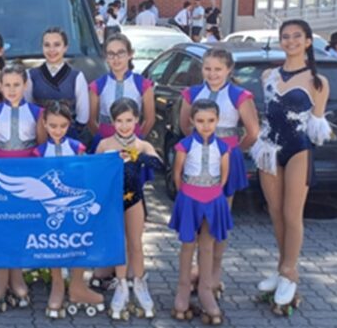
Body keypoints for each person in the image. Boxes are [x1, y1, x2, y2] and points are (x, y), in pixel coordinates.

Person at [251, 19, 331, 316]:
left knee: (291, 213)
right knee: (274, 211)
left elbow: (317, 128)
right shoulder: (268, 75)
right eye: (285, 36)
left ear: (308, 41)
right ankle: (281, 269)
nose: (291, 41)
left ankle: (289, 271)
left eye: (297, 36)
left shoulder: (318, 81)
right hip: (269, 149)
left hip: (298, 150)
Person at [180, 48, 259, 298]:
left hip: (225, 162)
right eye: (207, 68)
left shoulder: (239, 95)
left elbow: (253, 132)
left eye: (218, 69)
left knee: (217, 221)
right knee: (194, 222)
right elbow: (184, 125)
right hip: (196, 162)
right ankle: (194, 271)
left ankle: (213, 274)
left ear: (228, 70)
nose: (212, 74)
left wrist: (232, 151)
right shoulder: (192, 93)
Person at [34, 101, 105, 319]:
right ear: (44, 124)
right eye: (53, 126)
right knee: (54, 244)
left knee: (78, 241)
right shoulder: (38, 152)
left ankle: (77, 285)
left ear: (69, 125)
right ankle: (57, 284)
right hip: (51, 206)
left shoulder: (77, 148)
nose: (58, 131)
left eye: (63, 126)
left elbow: (88, 173)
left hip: (74, 201)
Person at [0, 65, 46, 312]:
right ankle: (0, 276)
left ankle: (17, 274)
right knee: (1, 225)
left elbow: (41, 147)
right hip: (1, 176)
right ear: (0, 86)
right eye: (7, 85)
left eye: (16, 85)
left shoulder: (37, 112)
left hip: (27, 179)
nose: (12, 89)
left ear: (25, 86)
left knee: (20, 225)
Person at [95, 98, 164, 320]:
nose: (124, 125)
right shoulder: (105, 144)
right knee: (120, 243)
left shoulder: (142, 144)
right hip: (112, 202)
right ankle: (122, 284)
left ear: (137, 120)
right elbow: (93, 172)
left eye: (129, 120)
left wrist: (139, 156)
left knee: (135, 242)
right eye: (119, 121)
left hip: (134, 200)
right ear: (112, 122)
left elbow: (159, 165)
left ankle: (139, 283)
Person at [169, 99, 233, 325]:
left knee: (207, 245)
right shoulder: (184, 146)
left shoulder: (224, 147)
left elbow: (224, 176)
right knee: (188, 245)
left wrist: (214, 192)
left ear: (218, 120)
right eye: (200, 121)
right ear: (192, 121)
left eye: (211, 121)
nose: (206, 125)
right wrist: (185, 194)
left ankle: (206, 290)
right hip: (190, 198)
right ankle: (183, 291)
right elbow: (178, 173)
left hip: (213, 198)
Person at [88, 33, 155, 144]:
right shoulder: (97, 85)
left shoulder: (142, 84)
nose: (116, 58)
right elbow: (91, 121)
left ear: (130, 54)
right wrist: (102, 140)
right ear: (106, 57)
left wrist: (138, 139)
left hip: (133, 141)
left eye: (121, 53)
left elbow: (149, 119)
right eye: (111, 54)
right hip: (105, 140)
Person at [24, 27, 89, 139]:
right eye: (47, 45)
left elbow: (83, 115)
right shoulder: (31, 75)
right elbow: (27, 108)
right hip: (40, 136)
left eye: (57, 45)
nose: (52, 50)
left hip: (68, 136)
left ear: (65, 47)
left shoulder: (76, 76)